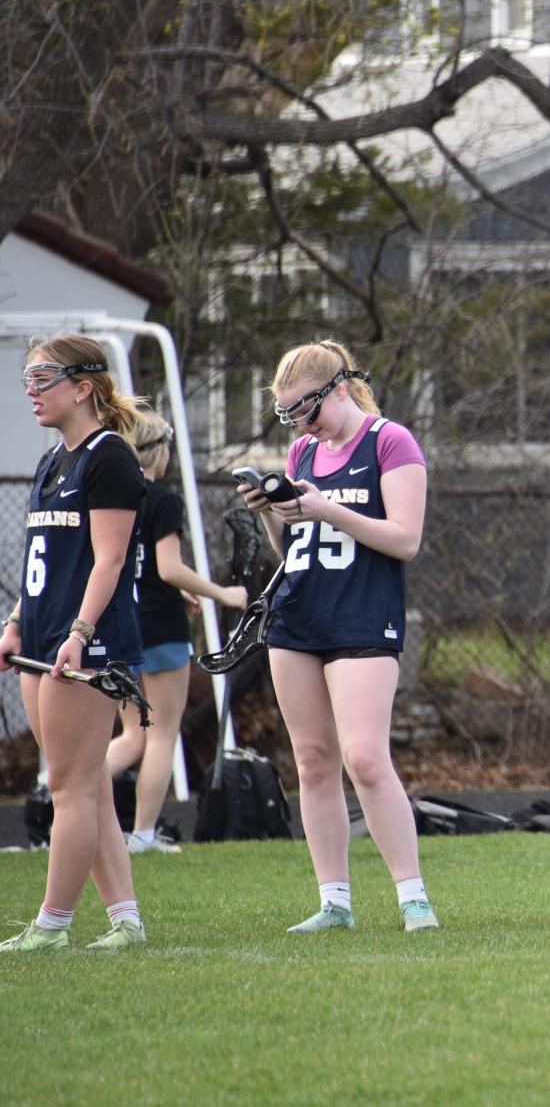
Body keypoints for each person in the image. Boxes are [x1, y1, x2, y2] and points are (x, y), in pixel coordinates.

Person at [239, 341, 437, 934]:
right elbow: (292, 548)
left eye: (307, 409)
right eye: (289, 415)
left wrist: (327, 509)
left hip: (362, 616)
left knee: (366, 758)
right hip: (299, 618)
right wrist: (272, 511)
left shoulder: (389, 441)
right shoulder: (303, 450)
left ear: (340, 390)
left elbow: (405, 539)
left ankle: (413, 898)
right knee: (313, 760)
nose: (301, 425)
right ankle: (334, 902)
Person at [0, 335, 149, 952]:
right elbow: (43, 560)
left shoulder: (108, 456)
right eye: (27, 377)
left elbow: (109, 560)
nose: (30, 390)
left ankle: (53, 923)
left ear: (83, 386)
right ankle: (126, 921)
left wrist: (79, 634)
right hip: (41, 639)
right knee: (85, 787)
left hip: (84, 644)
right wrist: (14, 622)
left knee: (69, 787)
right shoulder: (51, 460)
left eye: (43, 377)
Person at [103, 406, 249, 854]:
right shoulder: (163, 500)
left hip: (119, 627)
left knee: (132, 734)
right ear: (156, 452)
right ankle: (143, 834)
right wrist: (221, 594)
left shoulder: (110, 497)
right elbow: (168, 567)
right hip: (162, 631)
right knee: (162, 732)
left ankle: (56, 790)